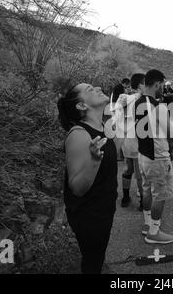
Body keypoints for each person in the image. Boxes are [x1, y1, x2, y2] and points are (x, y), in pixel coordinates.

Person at [58, 82, 117, 274]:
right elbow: (77, 187)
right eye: (90, 90)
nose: (99, 88)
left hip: (103, 209)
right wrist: (93, 160)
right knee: (92, 263)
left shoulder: (101, 128)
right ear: (82, 106)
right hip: (89, 216)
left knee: (96, 259)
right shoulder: (79, 135)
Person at [135, 69, 173, 244]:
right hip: (157, 156)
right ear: (157, 83)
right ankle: (154, 231)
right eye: (162, 85)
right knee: (160, 194)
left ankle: (147, 224)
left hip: (143, 154)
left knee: (146, 190)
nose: (163, 88)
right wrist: (172, 147)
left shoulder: (138, 101)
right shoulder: (157, 106)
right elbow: (172, 136)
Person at [114, 74, 146, 209]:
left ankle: (126, 197)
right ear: (140, 85)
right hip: (137, 140)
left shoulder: (123, 98)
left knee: (128, 169)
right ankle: (142, 201)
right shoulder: (139, 98)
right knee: (139, 173)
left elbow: (115, 116)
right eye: (145, 83)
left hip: (127, 139)